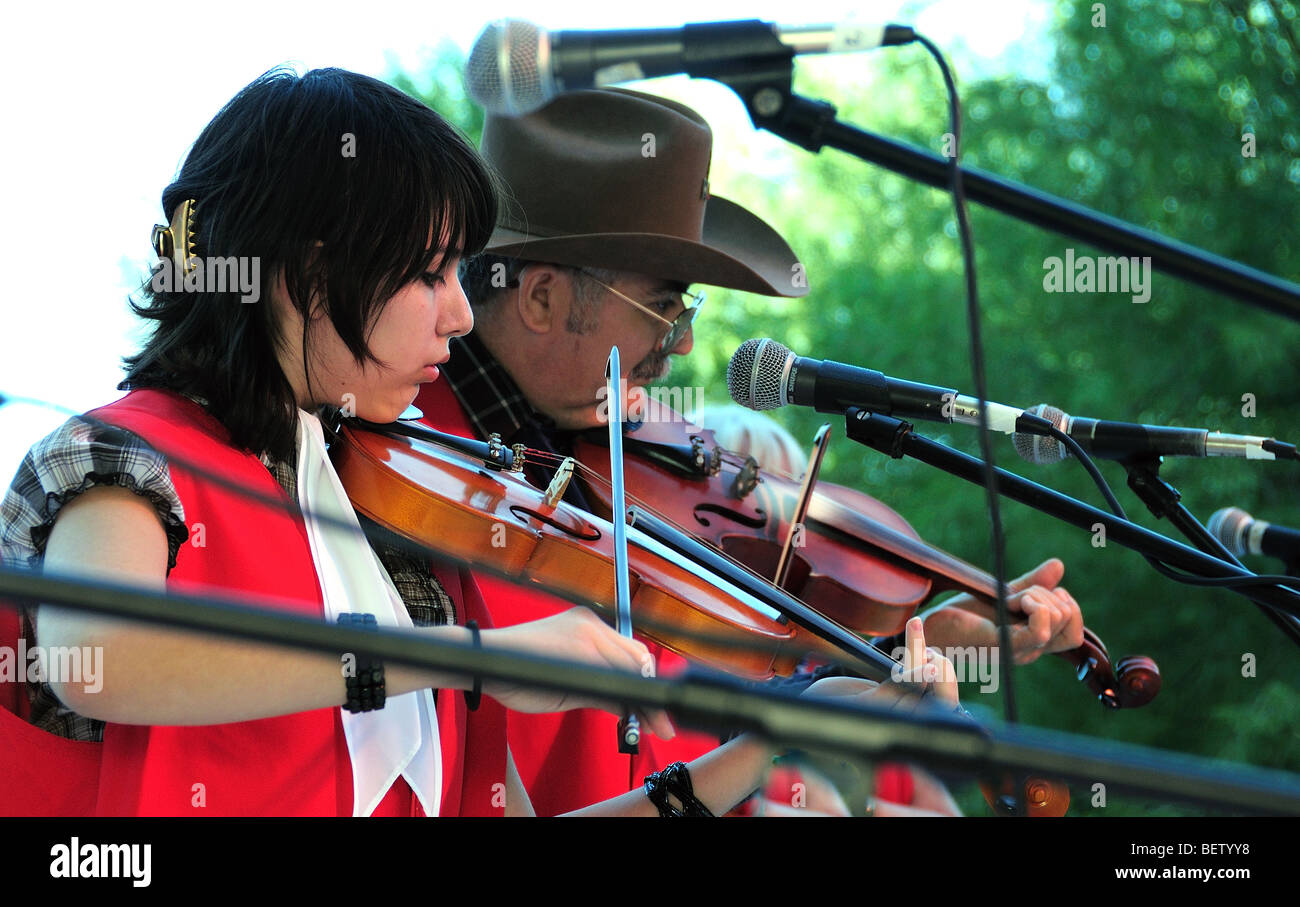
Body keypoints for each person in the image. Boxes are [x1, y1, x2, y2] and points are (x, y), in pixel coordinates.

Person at [0, 67, 955, 818]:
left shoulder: (385, 535)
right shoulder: (124, 455)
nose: (461, 313)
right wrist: (470, 656)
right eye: (428, 273)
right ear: (306, 275)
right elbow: (106, 660)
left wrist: (773, 737)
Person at [414, 87, 1086, 815]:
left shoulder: (599, 461)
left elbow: (703, 710)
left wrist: (903, 649)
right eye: (664, 308)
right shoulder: (415, 474)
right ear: (540, 298)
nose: (684, 344)